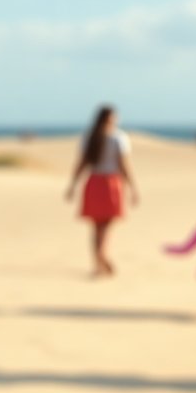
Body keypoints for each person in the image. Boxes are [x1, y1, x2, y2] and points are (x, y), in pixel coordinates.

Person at [65, 105, 138, 277]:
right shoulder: (118, 138)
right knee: (105, 226)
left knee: (97, 227)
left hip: (93, 183)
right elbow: (124, 164)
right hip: (111, 183)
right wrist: (133, 187)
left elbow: (81, 164)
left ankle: (98, 262)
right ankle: (102, 258)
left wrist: (73, 185)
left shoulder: (90, 137)